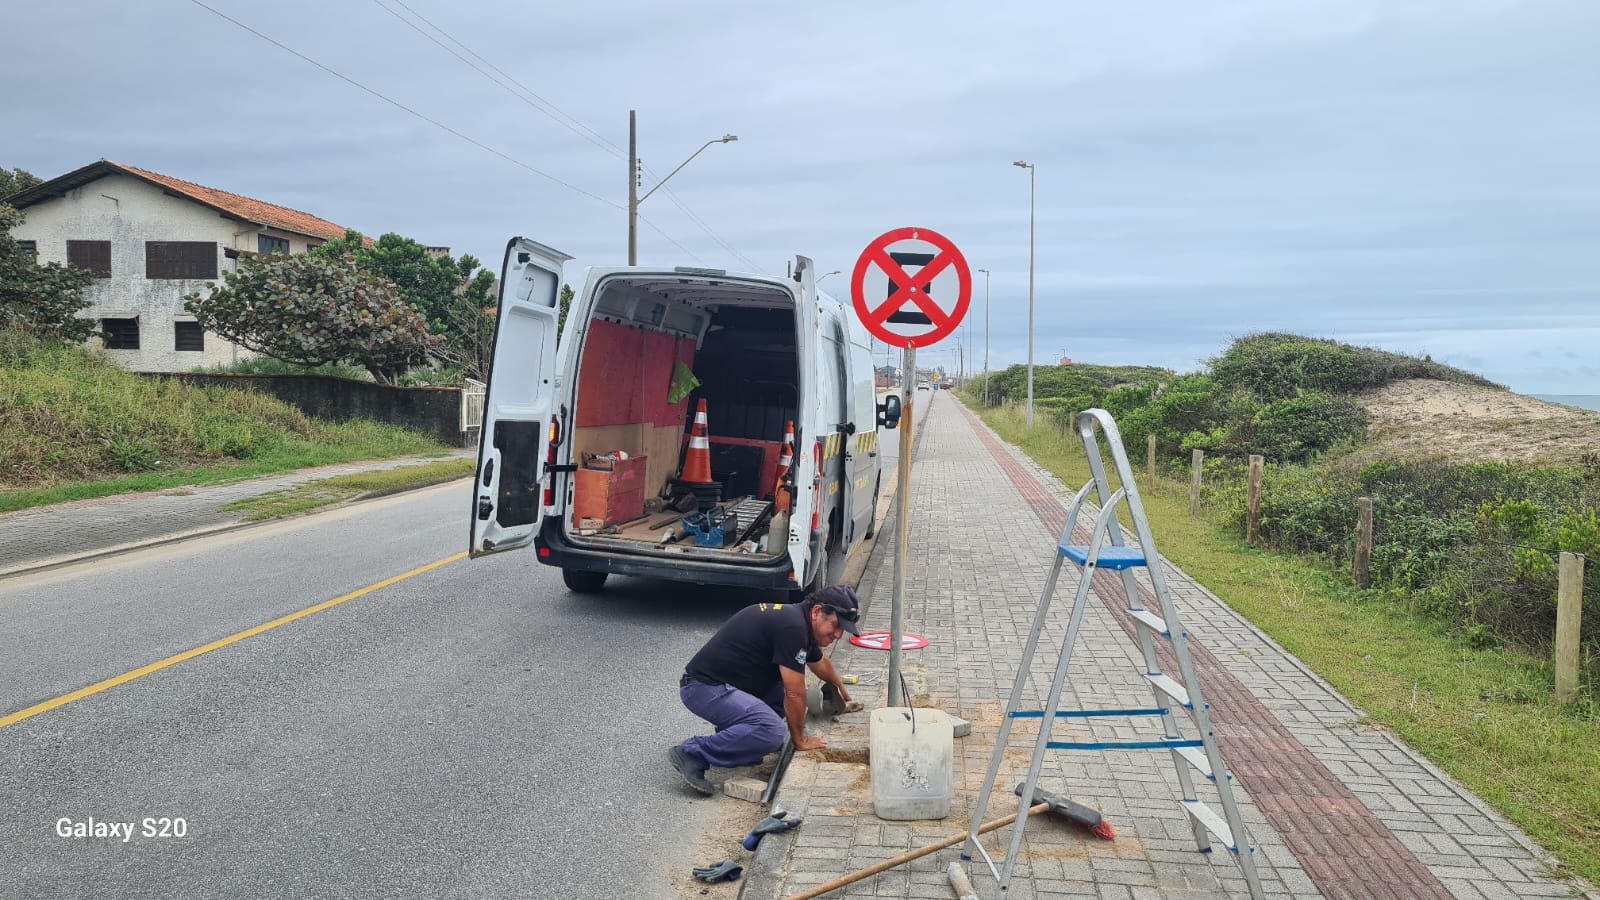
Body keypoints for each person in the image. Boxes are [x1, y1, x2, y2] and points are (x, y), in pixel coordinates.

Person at [668, 585, 862, 795]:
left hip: (726, 685)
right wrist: (799, 741)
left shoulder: (800, 622)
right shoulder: (793, 628)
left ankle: (739, 741)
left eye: (843, 629)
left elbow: (820, 663)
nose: (838, 634)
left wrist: (841, 689)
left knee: (779, 702)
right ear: (817, 612)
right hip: (703, 688)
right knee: (772, 731)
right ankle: (692, 753)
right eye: (836, 625)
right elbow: (794, 692)